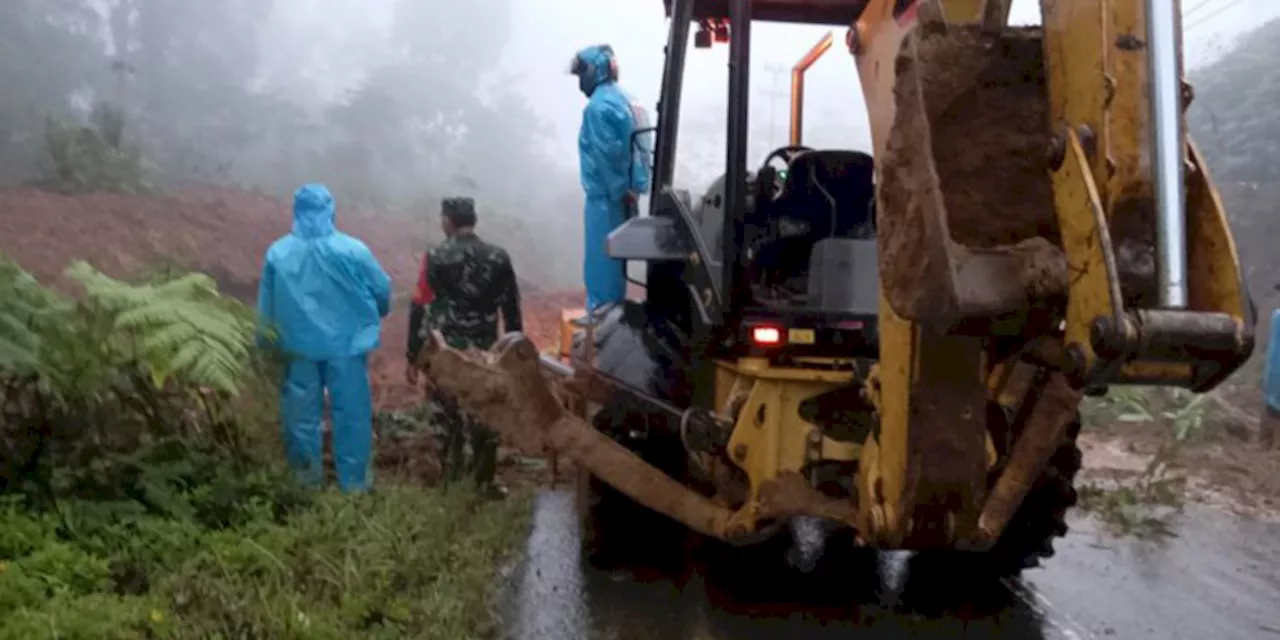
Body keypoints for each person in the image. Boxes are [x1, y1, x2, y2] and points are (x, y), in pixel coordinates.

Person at [257, 183, 392, 493]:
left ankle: (305, 484)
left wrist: (265, 344)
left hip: (298, 347)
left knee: (301, 417)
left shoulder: (278, 253)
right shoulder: (354, 250)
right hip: (347, 345)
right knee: (352, 414)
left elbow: (266, 307)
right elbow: (381, 290)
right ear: (331, 211)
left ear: (296, 212)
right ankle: (354, 486)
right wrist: (376, 313)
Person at [406, 197, 523, 497]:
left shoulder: (434, 257)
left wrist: (413, 355)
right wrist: (515, 353)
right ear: (473, 220)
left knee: (447, 417)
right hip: (486, 352)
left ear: (448, 221)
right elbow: (512, 310)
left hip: (447, 352)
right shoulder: (498, 257)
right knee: (486, 414)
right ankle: (484, 483)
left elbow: (419, 305)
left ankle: (451, 480)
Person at [569, 44, 653, 312]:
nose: (580, 81)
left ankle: (600, 325)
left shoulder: (597, 108)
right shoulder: (631, 102)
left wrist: (619, 189)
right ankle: (613, 316)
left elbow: (606, 154)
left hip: (606, 200)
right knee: (618, 267)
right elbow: (643, 148)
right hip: (627, 196)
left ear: (594, 70)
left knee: (601, 268)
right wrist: (634, 189)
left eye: (582, 73)